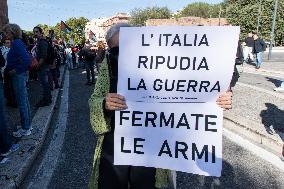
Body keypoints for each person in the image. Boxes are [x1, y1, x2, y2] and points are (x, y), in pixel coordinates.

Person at [88, 23, 233, 189]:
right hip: (114, 142)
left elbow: (188, 91)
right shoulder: (108, 65)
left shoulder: (160, 65)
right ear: (109, 47)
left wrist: (217, 99)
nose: (123, 54)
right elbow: (95, 99)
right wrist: (104, 104)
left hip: (150, 143)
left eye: (129, 46)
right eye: (117, 49)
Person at [3, 24, 32, 137]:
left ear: (12, 32)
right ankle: (27, 124)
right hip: (20, 75)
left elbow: (27, 61)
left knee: (22, 101)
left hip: (18, 75)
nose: (5, 34)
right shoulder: (17, 43)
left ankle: (25, 128)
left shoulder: (16, 43)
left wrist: (15, 71)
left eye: (6, 32)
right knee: (24, 100)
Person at [33, 26, 52, 107]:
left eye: (37, 32)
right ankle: (48, 98)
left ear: (41, 32)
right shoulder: (39, 42)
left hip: (43, 66)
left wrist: (38, 65)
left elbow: (43, 56)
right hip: (42, 66)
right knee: (44, 83)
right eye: (34, 32)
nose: (35, 33)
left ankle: (46, 100)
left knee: (44, 83)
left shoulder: (42, 42)